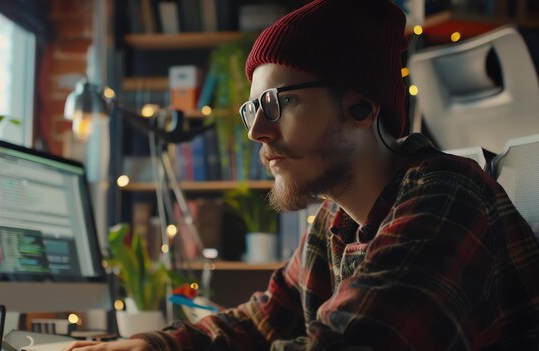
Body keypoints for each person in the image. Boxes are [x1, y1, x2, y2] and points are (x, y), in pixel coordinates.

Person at [66, 0, 539, 349]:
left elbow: (357, 342)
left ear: (360, 105)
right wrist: (153, 345)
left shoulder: (446, 194)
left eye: (279, 102)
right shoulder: (336, 220)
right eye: (253, 108)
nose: (256, 132)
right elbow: (263, 320)